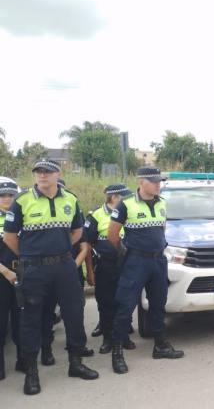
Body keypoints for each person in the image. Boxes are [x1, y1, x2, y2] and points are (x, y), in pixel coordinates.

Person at [3, 159, 98, 395]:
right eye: (38, 172)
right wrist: (30, 255)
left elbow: (77, 231)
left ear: (58, 174)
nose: (42, 175)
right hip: (34, 268)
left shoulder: (70, 199)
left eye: (47, 171)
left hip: (64, 266)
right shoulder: (22, 201)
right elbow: (9, 237)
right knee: (31, 318)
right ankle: (31, 372)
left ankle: (76, 363)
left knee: (74, 314)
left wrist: (60, 249)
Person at [108, 166, 183, 375]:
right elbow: (112, 235)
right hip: (136, 261)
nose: (158, 185)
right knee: (125, 305)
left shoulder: (162, 203)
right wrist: (126, 253)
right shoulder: (126, 204)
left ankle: (160, 346)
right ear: (141, 182)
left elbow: (162, 229)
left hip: (158, 260)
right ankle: (117, 352)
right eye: (154, 181)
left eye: (159, 181)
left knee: (158, 304)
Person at [84, 184, 137, 354]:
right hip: (105, 266)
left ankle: (123, 337)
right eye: (124, 196)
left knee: (125, 302)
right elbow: (87, 245)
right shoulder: (96, 215)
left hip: (127, 264)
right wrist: (90, 271)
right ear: (114, 198)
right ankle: (108, 338)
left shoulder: (129, 212)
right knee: (106, 303)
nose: (128, 199)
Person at [0, 178, 21, 380]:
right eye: (3, 195)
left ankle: (23, 361)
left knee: (22, 321)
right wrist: (5, 272)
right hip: (2, 275)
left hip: (23, 273)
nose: (7, 199)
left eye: (11, 195)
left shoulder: (24, 216)